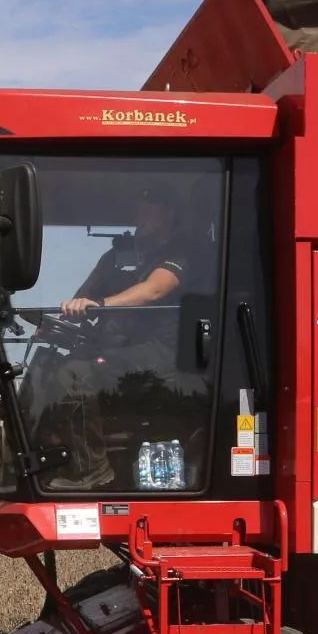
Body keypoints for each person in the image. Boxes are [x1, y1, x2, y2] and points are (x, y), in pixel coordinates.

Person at [44, 181, 195, 490]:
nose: (138, 212)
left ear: (168, 213)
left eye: (147, 205)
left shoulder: (183, 250)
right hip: (125, 351)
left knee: (75, 374)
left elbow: (153, 290)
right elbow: (85, 293)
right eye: (137, 206)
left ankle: (92, 470)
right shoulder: (119, 256)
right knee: (48, 367)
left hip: (165, 353)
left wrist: (101, 305)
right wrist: (70, 311)